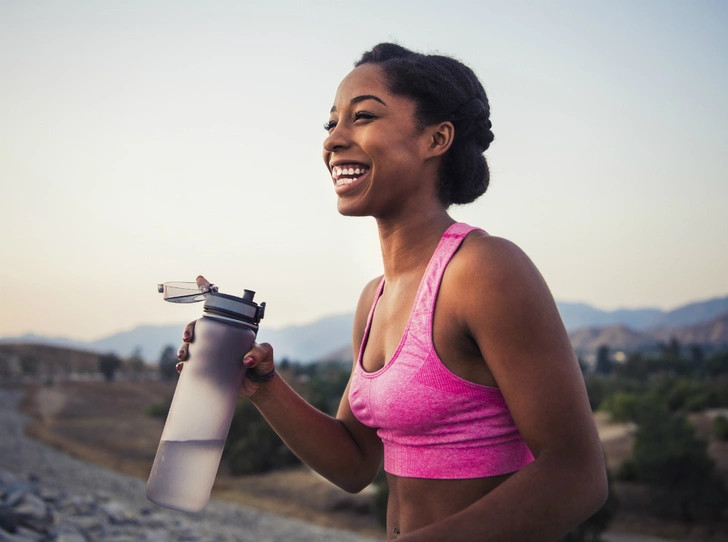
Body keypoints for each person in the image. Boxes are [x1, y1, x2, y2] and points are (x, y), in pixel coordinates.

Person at [177, 43, 608, 541]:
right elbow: (355, 463)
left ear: (436, 138)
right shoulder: (374, 299)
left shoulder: (484, 270)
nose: (334, 140)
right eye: (330, 124)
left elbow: (577, 475)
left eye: (362, 117)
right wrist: (262, 387)